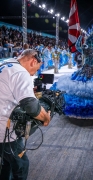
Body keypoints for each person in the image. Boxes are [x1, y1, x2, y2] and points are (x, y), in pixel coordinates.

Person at [0, 49, 51, 180]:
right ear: (34, 61)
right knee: (21, 165)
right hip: (4, 133)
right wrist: (46, 117)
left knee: (5, 164)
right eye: (38, 68)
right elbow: (31, 106)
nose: (36, 73)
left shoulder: (6, 64)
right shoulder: (21, 73)